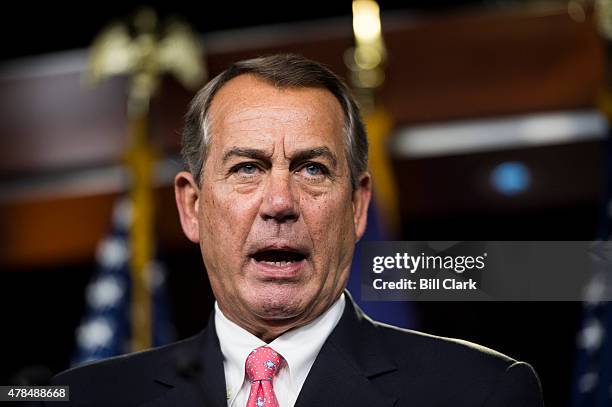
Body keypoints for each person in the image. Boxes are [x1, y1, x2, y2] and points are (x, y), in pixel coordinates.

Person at [49, 54, 544, 406]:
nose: (280, 203)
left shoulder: (479, 392)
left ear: (357, 206)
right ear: (192, 206)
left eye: (312, 169)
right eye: (247, 168)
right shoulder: (83, 398)